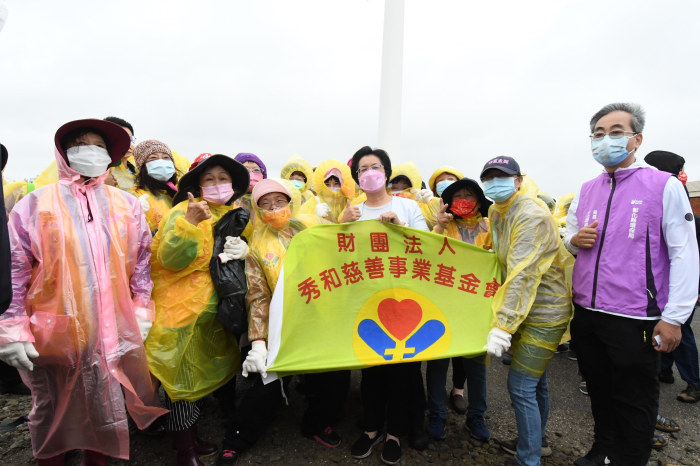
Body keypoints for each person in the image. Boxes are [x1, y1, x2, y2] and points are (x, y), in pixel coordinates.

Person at [0, 119, 167, 465]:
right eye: (79, 142)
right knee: (50, 406)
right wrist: (11, 329)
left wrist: (141, 307)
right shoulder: (33, 205)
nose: (89, 150)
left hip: (110, 327)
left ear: (110, 155)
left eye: (97, 144)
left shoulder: (128, 205)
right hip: (52, 330)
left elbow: (141, 263)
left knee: (104, 404)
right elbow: (14, 270)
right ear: (64, 152)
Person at [565, 103, 699, 466]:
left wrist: (674, 318)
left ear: (636, 139)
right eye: (597, 134)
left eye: (615, 132)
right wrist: (572, 240)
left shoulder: (663, 185)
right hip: (588, 313)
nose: (605, 140)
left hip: (635, 316)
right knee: (599, 391)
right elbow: (569, 231)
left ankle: (630, 458)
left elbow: (685, 253)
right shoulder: (587, 188)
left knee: (634, 399)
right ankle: (602, 449)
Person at [219, 178, 340, 465]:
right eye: (265, 203)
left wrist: (338, 220)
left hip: (318, 318)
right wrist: (258, 343)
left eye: (279, 201)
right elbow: (258, 296)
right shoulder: (257, 245)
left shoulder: (310, 229)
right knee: (266, 385)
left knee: (332, 378)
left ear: (290, 202)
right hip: (279, 322)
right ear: (257, 209)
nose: (274, 208)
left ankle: (315, 423)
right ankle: (237, 438)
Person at [145, 153, 251, 466]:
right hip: (181, 314)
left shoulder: (233, 213)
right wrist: (191, 223)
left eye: (223, 178)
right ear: (197, 184)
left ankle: (190, 438)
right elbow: (170, 259)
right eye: (209, 178)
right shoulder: (181, 212)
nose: (217, 184)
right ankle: (185, 452)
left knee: (198, 383)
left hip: (213, 312)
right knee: (182, 386)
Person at [481, 156, 572, 466]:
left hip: (545, 312)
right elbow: (499, 259)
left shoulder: (531, 214)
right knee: (537, 382)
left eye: (502, 176)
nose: (495, 182)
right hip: (522, 308)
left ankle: (528, 459)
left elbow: (523, 272)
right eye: (489, 177)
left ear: (518, 179)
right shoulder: (496, 211)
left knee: (520, 385)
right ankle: (537, 441)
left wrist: (502, 325)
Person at [343, 146, 428, 466]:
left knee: (404, 371)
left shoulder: (407, 207)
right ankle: (371, 428)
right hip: (366, 303)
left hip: (406, 303)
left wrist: (401, 231)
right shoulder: (352, 212)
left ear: (387, 173)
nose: (369, 173)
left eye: (375, 166)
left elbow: (427, 251)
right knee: (372, 370)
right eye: (362, 169)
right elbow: (340, 257)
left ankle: (395, 433)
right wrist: (340, 225)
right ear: (357, 177)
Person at [427, 178, 493, 442]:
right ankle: (436, 414)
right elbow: (424, 256)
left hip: (476, 310)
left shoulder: (490, 227)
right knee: (437, 363)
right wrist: (437, 227)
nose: (464, 199)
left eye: (470, 194)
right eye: (458, 195)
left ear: (479, 200)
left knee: (476, 368)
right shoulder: (444, 224)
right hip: (441, 306)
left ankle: (476, 416)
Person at [644, 150, 700, 403]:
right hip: (660, 286)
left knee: (680, 330)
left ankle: (695, 383)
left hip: (681, 287)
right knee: (660, 326)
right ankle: (663, 370)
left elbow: (688, 255)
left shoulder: (678, 203)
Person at [130, 139, 180, 234]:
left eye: (166, 157)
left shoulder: (177, 193)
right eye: (153, 158)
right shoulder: (135, 195)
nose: (161, 162)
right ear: (143, 166)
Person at [312, 159, 356, 223]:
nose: (332, 187)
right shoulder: (315, 202)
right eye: (327, 184)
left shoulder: (349, 201)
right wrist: (315, 216)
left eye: (336, 184)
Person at [103, 116, 138, 191]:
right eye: (122, 138)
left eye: (130, 139)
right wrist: (102, 186)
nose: (127, 144)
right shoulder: (98, 170)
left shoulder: (139, 172)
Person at [233, 152, 267, 223]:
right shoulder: (227, 201)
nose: (251, 175)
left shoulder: (269, 200)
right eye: (245, 170)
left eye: (256, 170)